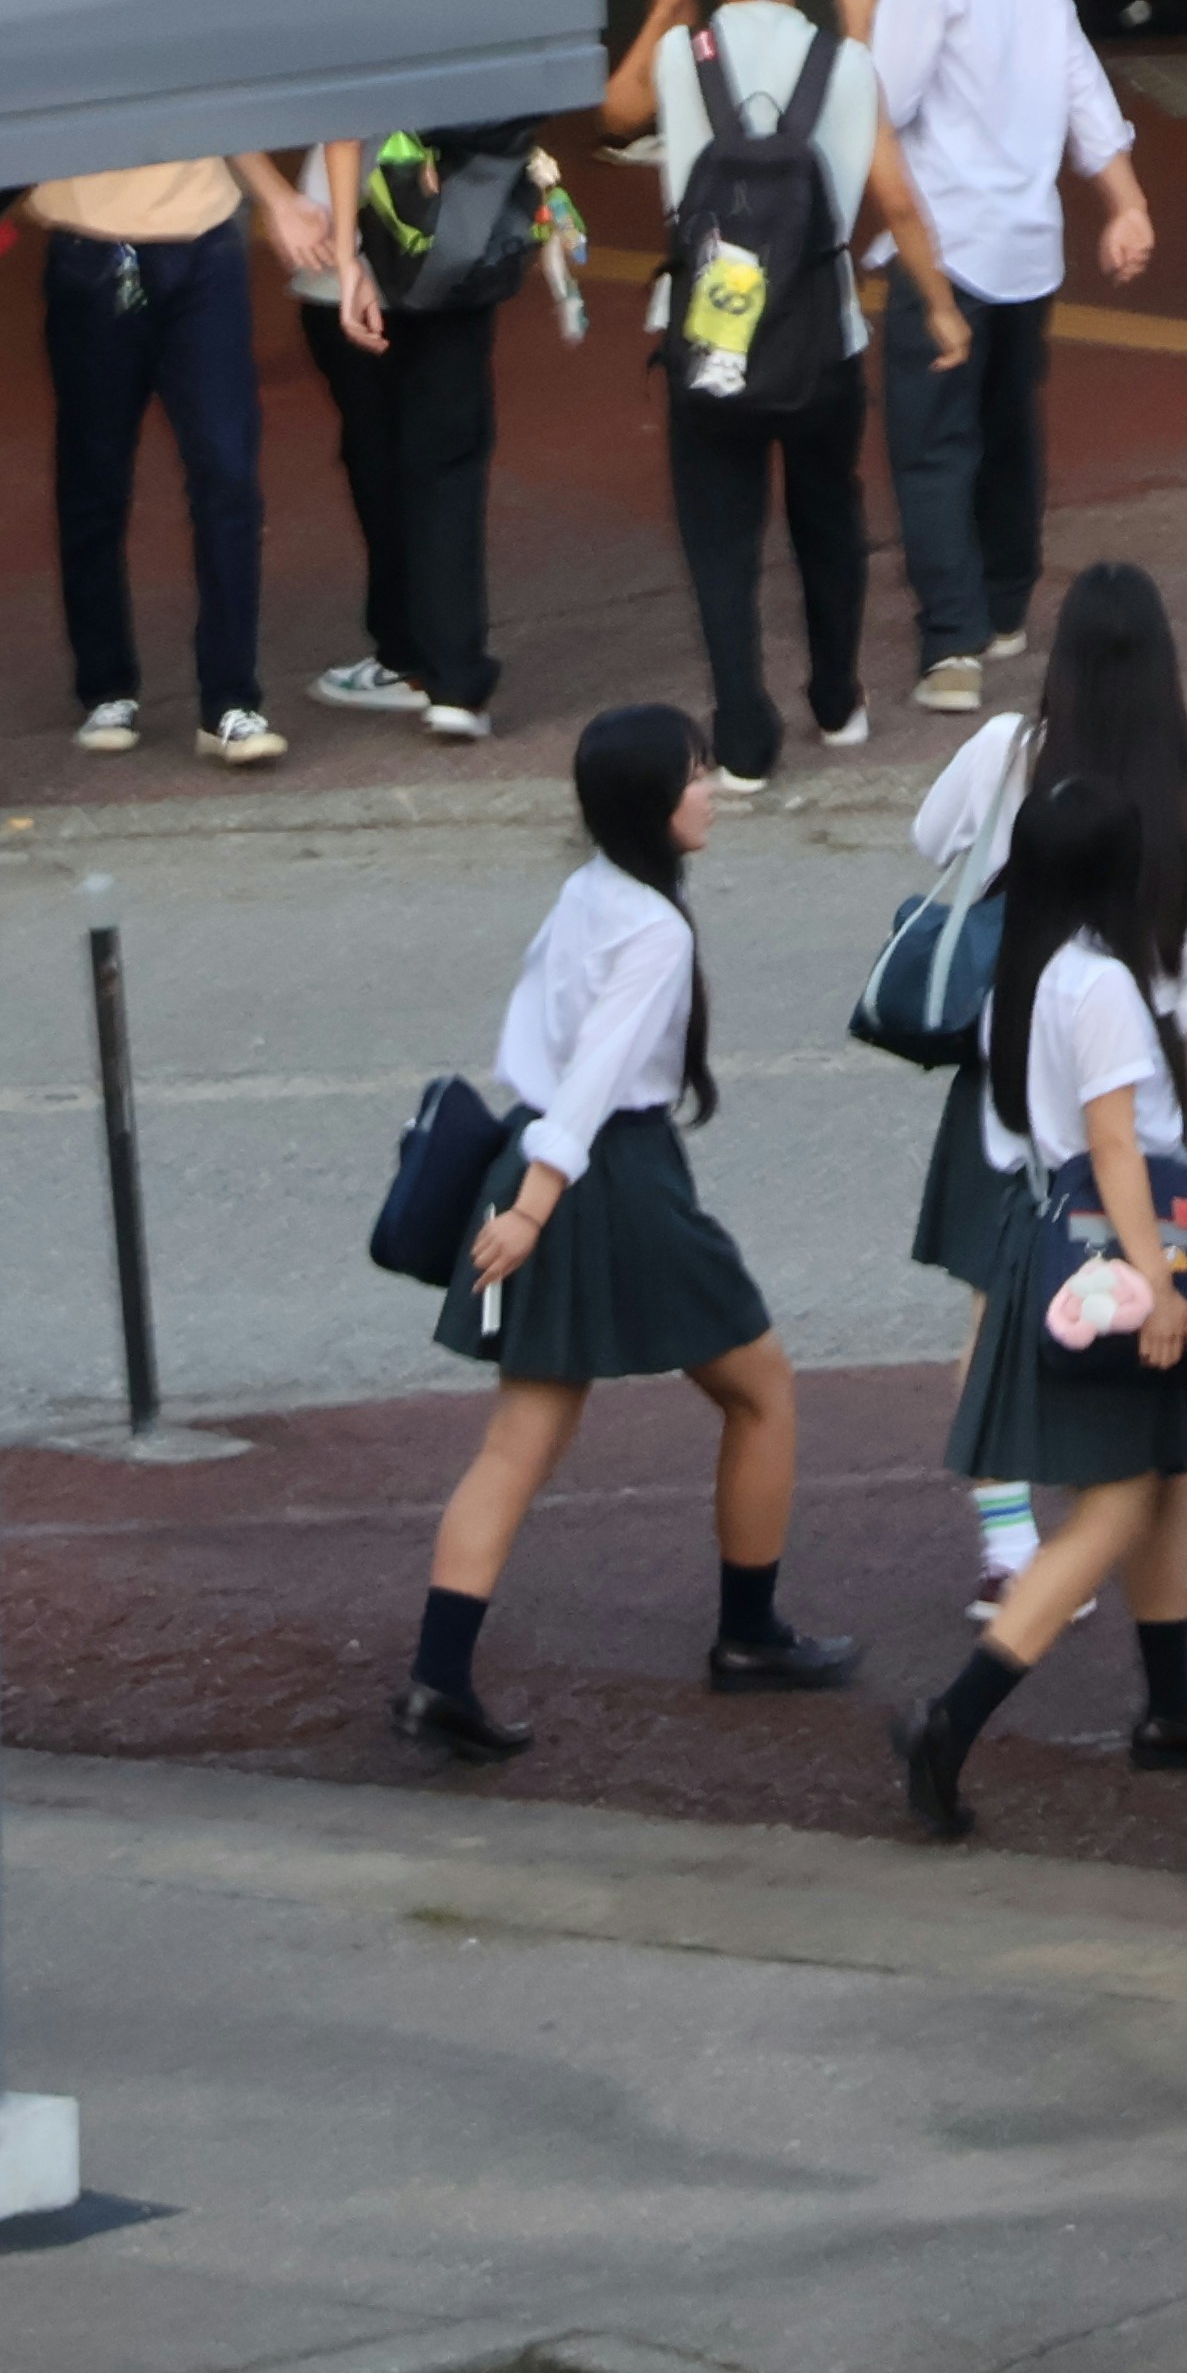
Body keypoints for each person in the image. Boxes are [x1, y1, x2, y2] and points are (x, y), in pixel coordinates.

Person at [397, 706, 861, 1759]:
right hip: (613, 1175)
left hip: (542, 1156)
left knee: (520, 1439)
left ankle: (437, 1677)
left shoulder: (588, 889)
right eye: (698, 774)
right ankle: (748, 1635)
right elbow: (601, 1075)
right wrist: (531, 1210)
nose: (710, 790)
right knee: (761, 1385)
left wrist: (523, 1193)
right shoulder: (654, 924)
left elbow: (541, 1047)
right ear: (657, 803)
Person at [907, 561, 1187, 1608]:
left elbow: (931, 845)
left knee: (999, 1301)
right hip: (1137, 1077)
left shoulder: (1006, 752)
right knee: (1176, 1295)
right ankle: (1179, 1519)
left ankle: (1010, 1547)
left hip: (1012, 1061)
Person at [892, 775, 1187, 1841]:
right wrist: (1160, 1283)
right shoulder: (1105, 986)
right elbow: (1116, 1144)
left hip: (1048, 1245)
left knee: (1167, 1470)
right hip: (1113, 1258)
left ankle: (1172, 1706)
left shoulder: (1028, 971)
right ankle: (956, 1715)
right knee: (1119, 1502)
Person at [597, 0, 967, 791]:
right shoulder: (846, 64)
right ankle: (836, 697)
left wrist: (662, 5)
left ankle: (743, 737)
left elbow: (613, 114)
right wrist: (944, 307)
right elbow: (897, 201)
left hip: (705, 336)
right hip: (820, 331)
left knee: (718, 533)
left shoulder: (686, 56)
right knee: (827, 514)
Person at [842, 0, 1155, 716]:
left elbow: (878, 108)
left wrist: (857, 32)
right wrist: (1124, 201)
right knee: (1011, 428)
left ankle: (952, 646)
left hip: (942, 246)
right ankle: (1007, 604)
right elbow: (1076, 74)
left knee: (933, 444)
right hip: (1030, 241)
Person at [32, 151, 334, 766]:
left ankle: (230, 700)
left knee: (228, 474)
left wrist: (277, 199)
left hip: (204, 241)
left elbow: (221, 90)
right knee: (95, 475)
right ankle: (106, 686)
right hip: (90, 242)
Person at [290, 133, 506, 745]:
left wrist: (345, 253)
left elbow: (343, 124)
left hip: (354, 245)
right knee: (449, 464)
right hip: (462, 236)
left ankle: (403, 652)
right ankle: (456, 679)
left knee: (375, 454)